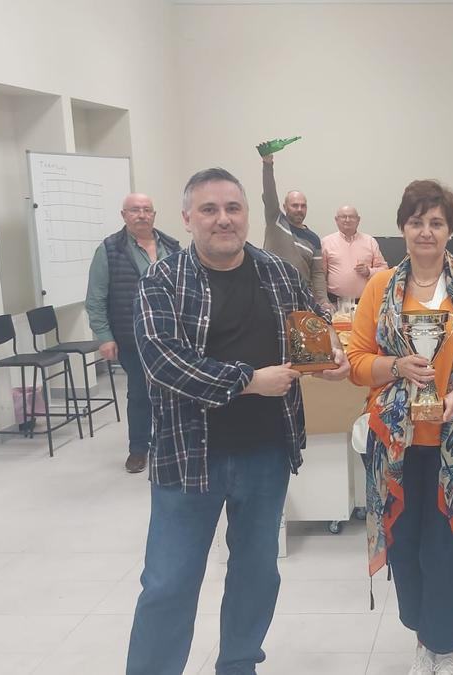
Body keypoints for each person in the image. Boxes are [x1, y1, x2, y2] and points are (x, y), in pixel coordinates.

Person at [126, 168, 350, 675]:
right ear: (187, 219)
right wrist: (250, 379)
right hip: (188, 460)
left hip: (265, 454)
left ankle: (238, 664)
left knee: (256, 574)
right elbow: (164, 363)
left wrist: (329, 356)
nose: (223, 220)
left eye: (233, 209)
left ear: (247, 215)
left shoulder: (278, 273)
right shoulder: (162, 281)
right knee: (168, 583)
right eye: (209, 210)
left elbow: (309, 330)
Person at [347, 179, 453, 675]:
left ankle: (446, 650)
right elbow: (357, 360)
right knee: (407, 544)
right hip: (396, 443)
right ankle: (424, 638)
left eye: (436, 222)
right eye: (416, 221)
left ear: (450, 230)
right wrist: (396, 367)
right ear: (402, 227)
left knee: (450, 549)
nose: (425, 231)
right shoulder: (380, 286)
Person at [85, 193, 182, 474]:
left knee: (173, 393)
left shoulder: (172, 247)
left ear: (154, 214)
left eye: (146, 210)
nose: (141, 215)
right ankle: (139, 449)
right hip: (132, 336)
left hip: (171, 336)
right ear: (123, 215)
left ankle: (171, 444)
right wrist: (104, 336)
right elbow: (96, 297)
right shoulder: (109, 249)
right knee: (140, 393)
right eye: (135, 210)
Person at [259, 148, 331, 309]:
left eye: (303, 206)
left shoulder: (313, 238)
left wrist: (323, 300)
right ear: (285, 206)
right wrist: (267, 164)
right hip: (270, 296)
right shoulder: (275, 221)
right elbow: (270, 194)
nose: (299, 209)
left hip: (301, 300)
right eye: (295, 205)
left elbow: (317, 274)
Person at [321, 205, 388, 304]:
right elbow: (321, 275)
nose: (347, 220)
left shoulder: (370, 241)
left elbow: (385, 270)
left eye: (351, 217)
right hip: (335, 301)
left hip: (365, 301)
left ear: (358, 220)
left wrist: (369, 272)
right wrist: (323, 300)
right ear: (336, 220)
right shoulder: (326, 242)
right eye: (343, 217)